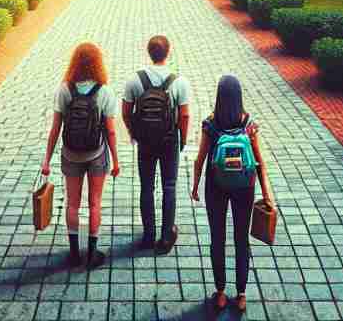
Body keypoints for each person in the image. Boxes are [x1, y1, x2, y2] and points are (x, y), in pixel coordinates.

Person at [192, 75, 274, 313]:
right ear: (239, 96)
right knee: (241, 238)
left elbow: (199, 160)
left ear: (219, 96)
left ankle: (219, 291)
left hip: (216, 186)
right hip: (244, 187)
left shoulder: (211, 124)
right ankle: (241, 294)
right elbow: (260, 163)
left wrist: (196, 185)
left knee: (217, 238)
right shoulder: (249, 124)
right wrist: (267, 194)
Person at [41, 42, 121, 268]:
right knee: (95, 202)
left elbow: (55, 128)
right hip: (96, 154)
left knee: (72, 203)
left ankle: (74, 253)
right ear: (98, 64)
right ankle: (93, 253)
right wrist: (115, 160)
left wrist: (46, 161)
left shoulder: (65, 89)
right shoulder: (104, 91)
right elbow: (111, 131)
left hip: (70, 154)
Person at [121, 34, 191, 254]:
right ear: (167, 52)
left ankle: (148, 235)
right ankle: (166, 237)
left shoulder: (135, 80)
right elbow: (185, 115)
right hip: (170, 140)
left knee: (146, 187)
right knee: (169, 186)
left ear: (149, 52)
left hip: (146, 142)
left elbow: (125, 112)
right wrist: (183, 138)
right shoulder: (178, 81)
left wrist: (135, 133)